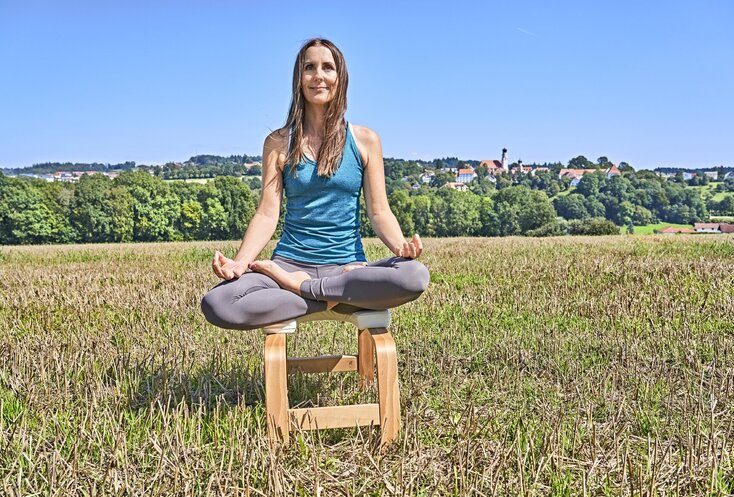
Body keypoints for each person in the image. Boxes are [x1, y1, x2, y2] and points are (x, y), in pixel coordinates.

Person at [200, 38, 429, 331]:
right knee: (219, 303)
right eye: (309, 67)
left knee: (414, 276)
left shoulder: (365, 140)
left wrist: (401, 248)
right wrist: (240, 263)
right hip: (288, 266)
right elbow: (267, 214)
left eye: (328, 67)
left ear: (340, 78)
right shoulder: (279, 142)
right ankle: (334, 295)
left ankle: (309, 290)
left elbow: (379, 211)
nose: (318, 75)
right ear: (299, 78)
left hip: (347, 268)